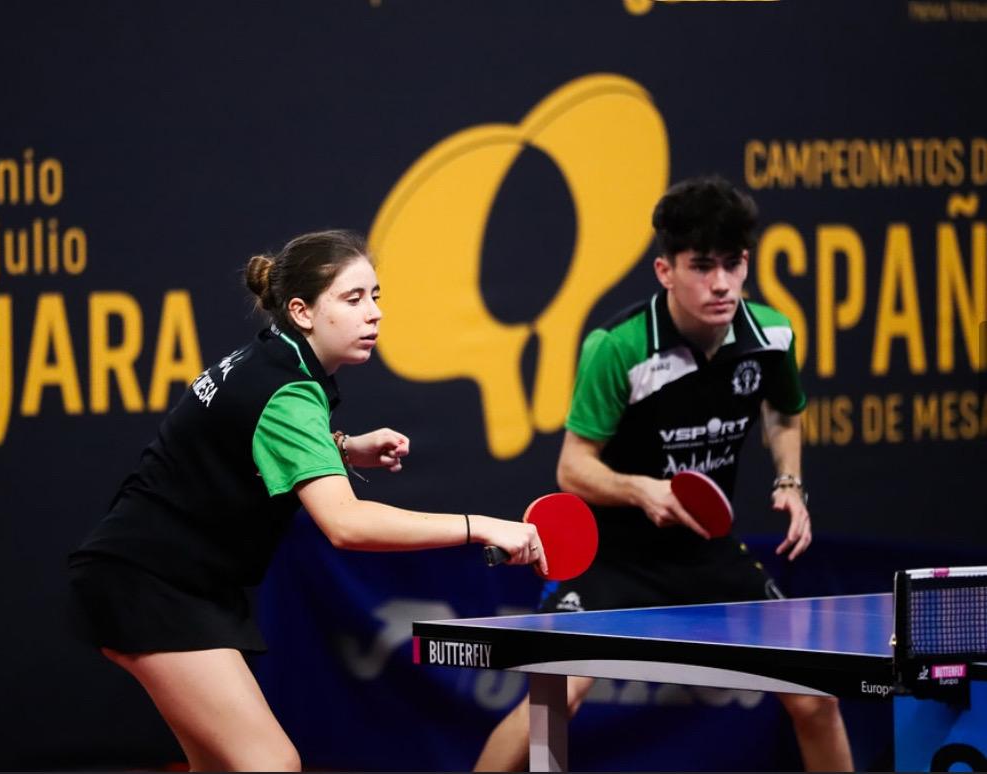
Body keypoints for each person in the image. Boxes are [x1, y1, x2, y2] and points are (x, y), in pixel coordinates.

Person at [67, 229, 547, 772]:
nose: (374, 314)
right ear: (302, 311)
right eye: (352, 299)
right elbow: (347, 524)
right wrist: (482, 525)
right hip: (150, 585)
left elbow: (243, 435)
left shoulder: (267, 361)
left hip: (159, 576)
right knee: (271, 763)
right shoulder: (290, 393)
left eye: (376, 296)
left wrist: (342, 447)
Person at [474, 177, 854, 772]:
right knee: (553, 702)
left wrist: (789, 481)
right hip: (612, 557)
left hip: (707, 551)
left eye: (733, 264)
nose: (722, 283)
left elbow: (782, 412)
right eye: (702, 266)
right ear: (665, 270)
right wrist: (638, 489)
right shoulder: (620, 348)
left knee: (817, 701)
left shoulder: (772, 335)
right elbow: (572, 468)